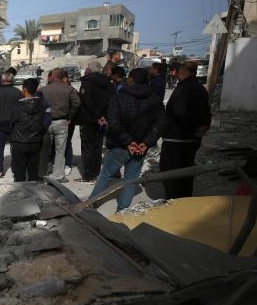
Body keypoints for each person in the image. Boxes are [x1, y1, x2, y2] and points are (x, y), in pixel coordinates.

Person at [87, 68, 163, 211]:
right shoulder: (155, 99)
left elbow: (114, 122)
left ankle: (90, 204)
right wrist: (145, 143)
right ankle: (123, 209)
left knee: (106, 176)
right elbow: (159, 125)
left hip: (120, 146)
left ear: (131, 79)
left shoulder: (119, 97)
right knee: (131, 179)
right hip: (140, 147)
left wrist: (129, 142)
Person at [159, 60, 211, 199]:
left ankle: (173, 201)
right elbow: (207, 112)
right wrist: (204, 128)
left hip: (177, 139)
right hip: (192, 139)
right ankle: (183, 199)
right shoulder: (200, 88)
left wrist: (194, 129)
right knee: (186, 171)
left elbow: (180, 113)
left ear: (181, 73)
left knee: (171, 173)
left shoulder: (184, 89)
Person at [38, 68, 81, 181]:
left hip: (46, 122)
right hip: (62, 121)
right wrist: (70, 117)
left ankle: (43, 172)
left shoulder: (43, 90)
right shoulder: (69, 89)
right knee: (60, 150)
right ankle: (58, 175)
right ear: (63, 77)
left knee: (44, 149)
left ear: (52, 77)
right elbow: (77, 103)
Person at [77, 65, 116, 181]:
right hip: (103, 120)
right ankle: (96, 172)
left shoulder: (87, 83)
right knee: (97, 146)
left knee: (87, 147)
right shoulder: (109, 83)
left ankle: (89, 175)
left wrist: (97, 116)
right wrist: (104, 117)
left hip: (89, 120)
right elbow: (112, 101)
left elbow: (86, 102)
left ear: (89, 71)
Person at [9, 79, 47, 182]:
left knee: (19, 173)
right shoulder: (42, 105)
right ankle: (32, 193)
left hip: (19, 142)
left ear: (25, 90)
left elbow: (10, 123)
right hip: (35, 142)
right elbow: (45, 123)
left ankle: (20, 193)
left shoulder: (17, 106)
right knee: (33, 172)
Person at [0, 69, 22, 178]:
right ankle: (16, 169)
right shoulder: (17, 92)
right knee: (15, 147)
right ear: (12, 80)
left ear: (2, 80)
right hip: (15, 125)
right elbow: (22, 108)